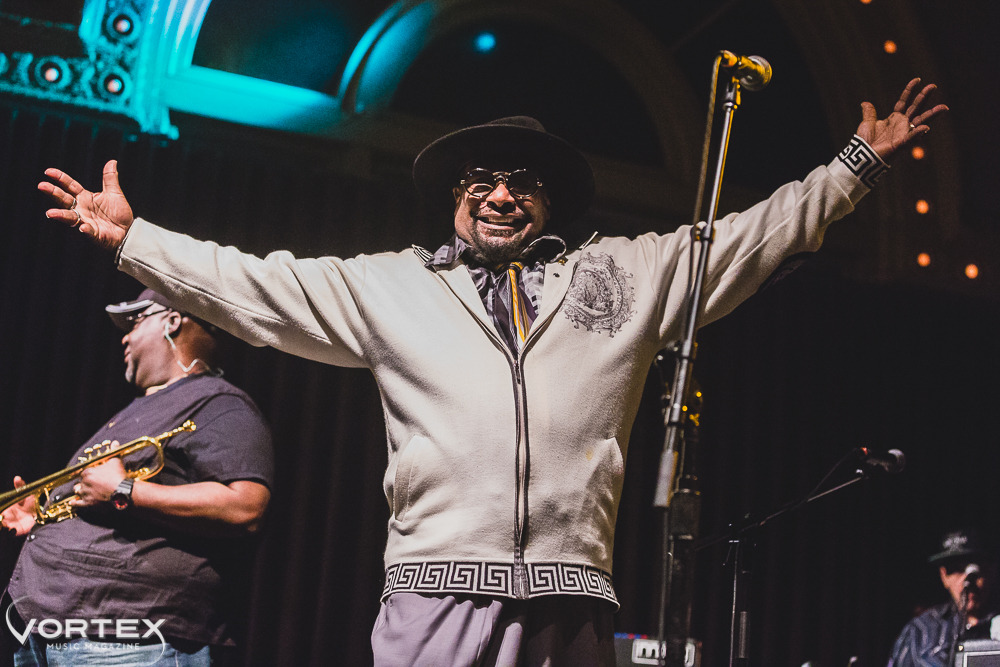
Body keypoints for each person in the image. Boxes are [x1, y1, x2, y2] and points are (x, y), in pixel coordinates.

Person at [37, 78, 946, 666]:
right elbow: (258, 284)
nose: (502, 193)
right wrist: (136, 241)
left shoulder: (621, 275)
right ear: (457, 199)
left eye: (520, 180)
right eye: (483, 181)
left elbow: (747, 239)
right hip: (436, 588)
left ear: (546, 198)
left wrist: (853, 167)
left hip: (570, 594)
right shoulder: (390, 286)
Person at [1, 288, 274, 666]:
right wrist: (44, 517)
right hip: (50, 628)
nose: (125, 336)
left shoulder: (219, 403)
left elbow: (245, 507)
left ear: (172, 321)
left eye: (135, 321)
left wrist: (123, 490)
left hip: (127, 636)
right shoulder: (141, 408)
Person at [887, 528, 1000, 667]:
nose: (966, 580)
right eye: (956, 569)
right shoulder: (920, 631)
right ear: (944, 576)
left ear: (991, 570)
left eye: (973, 568)